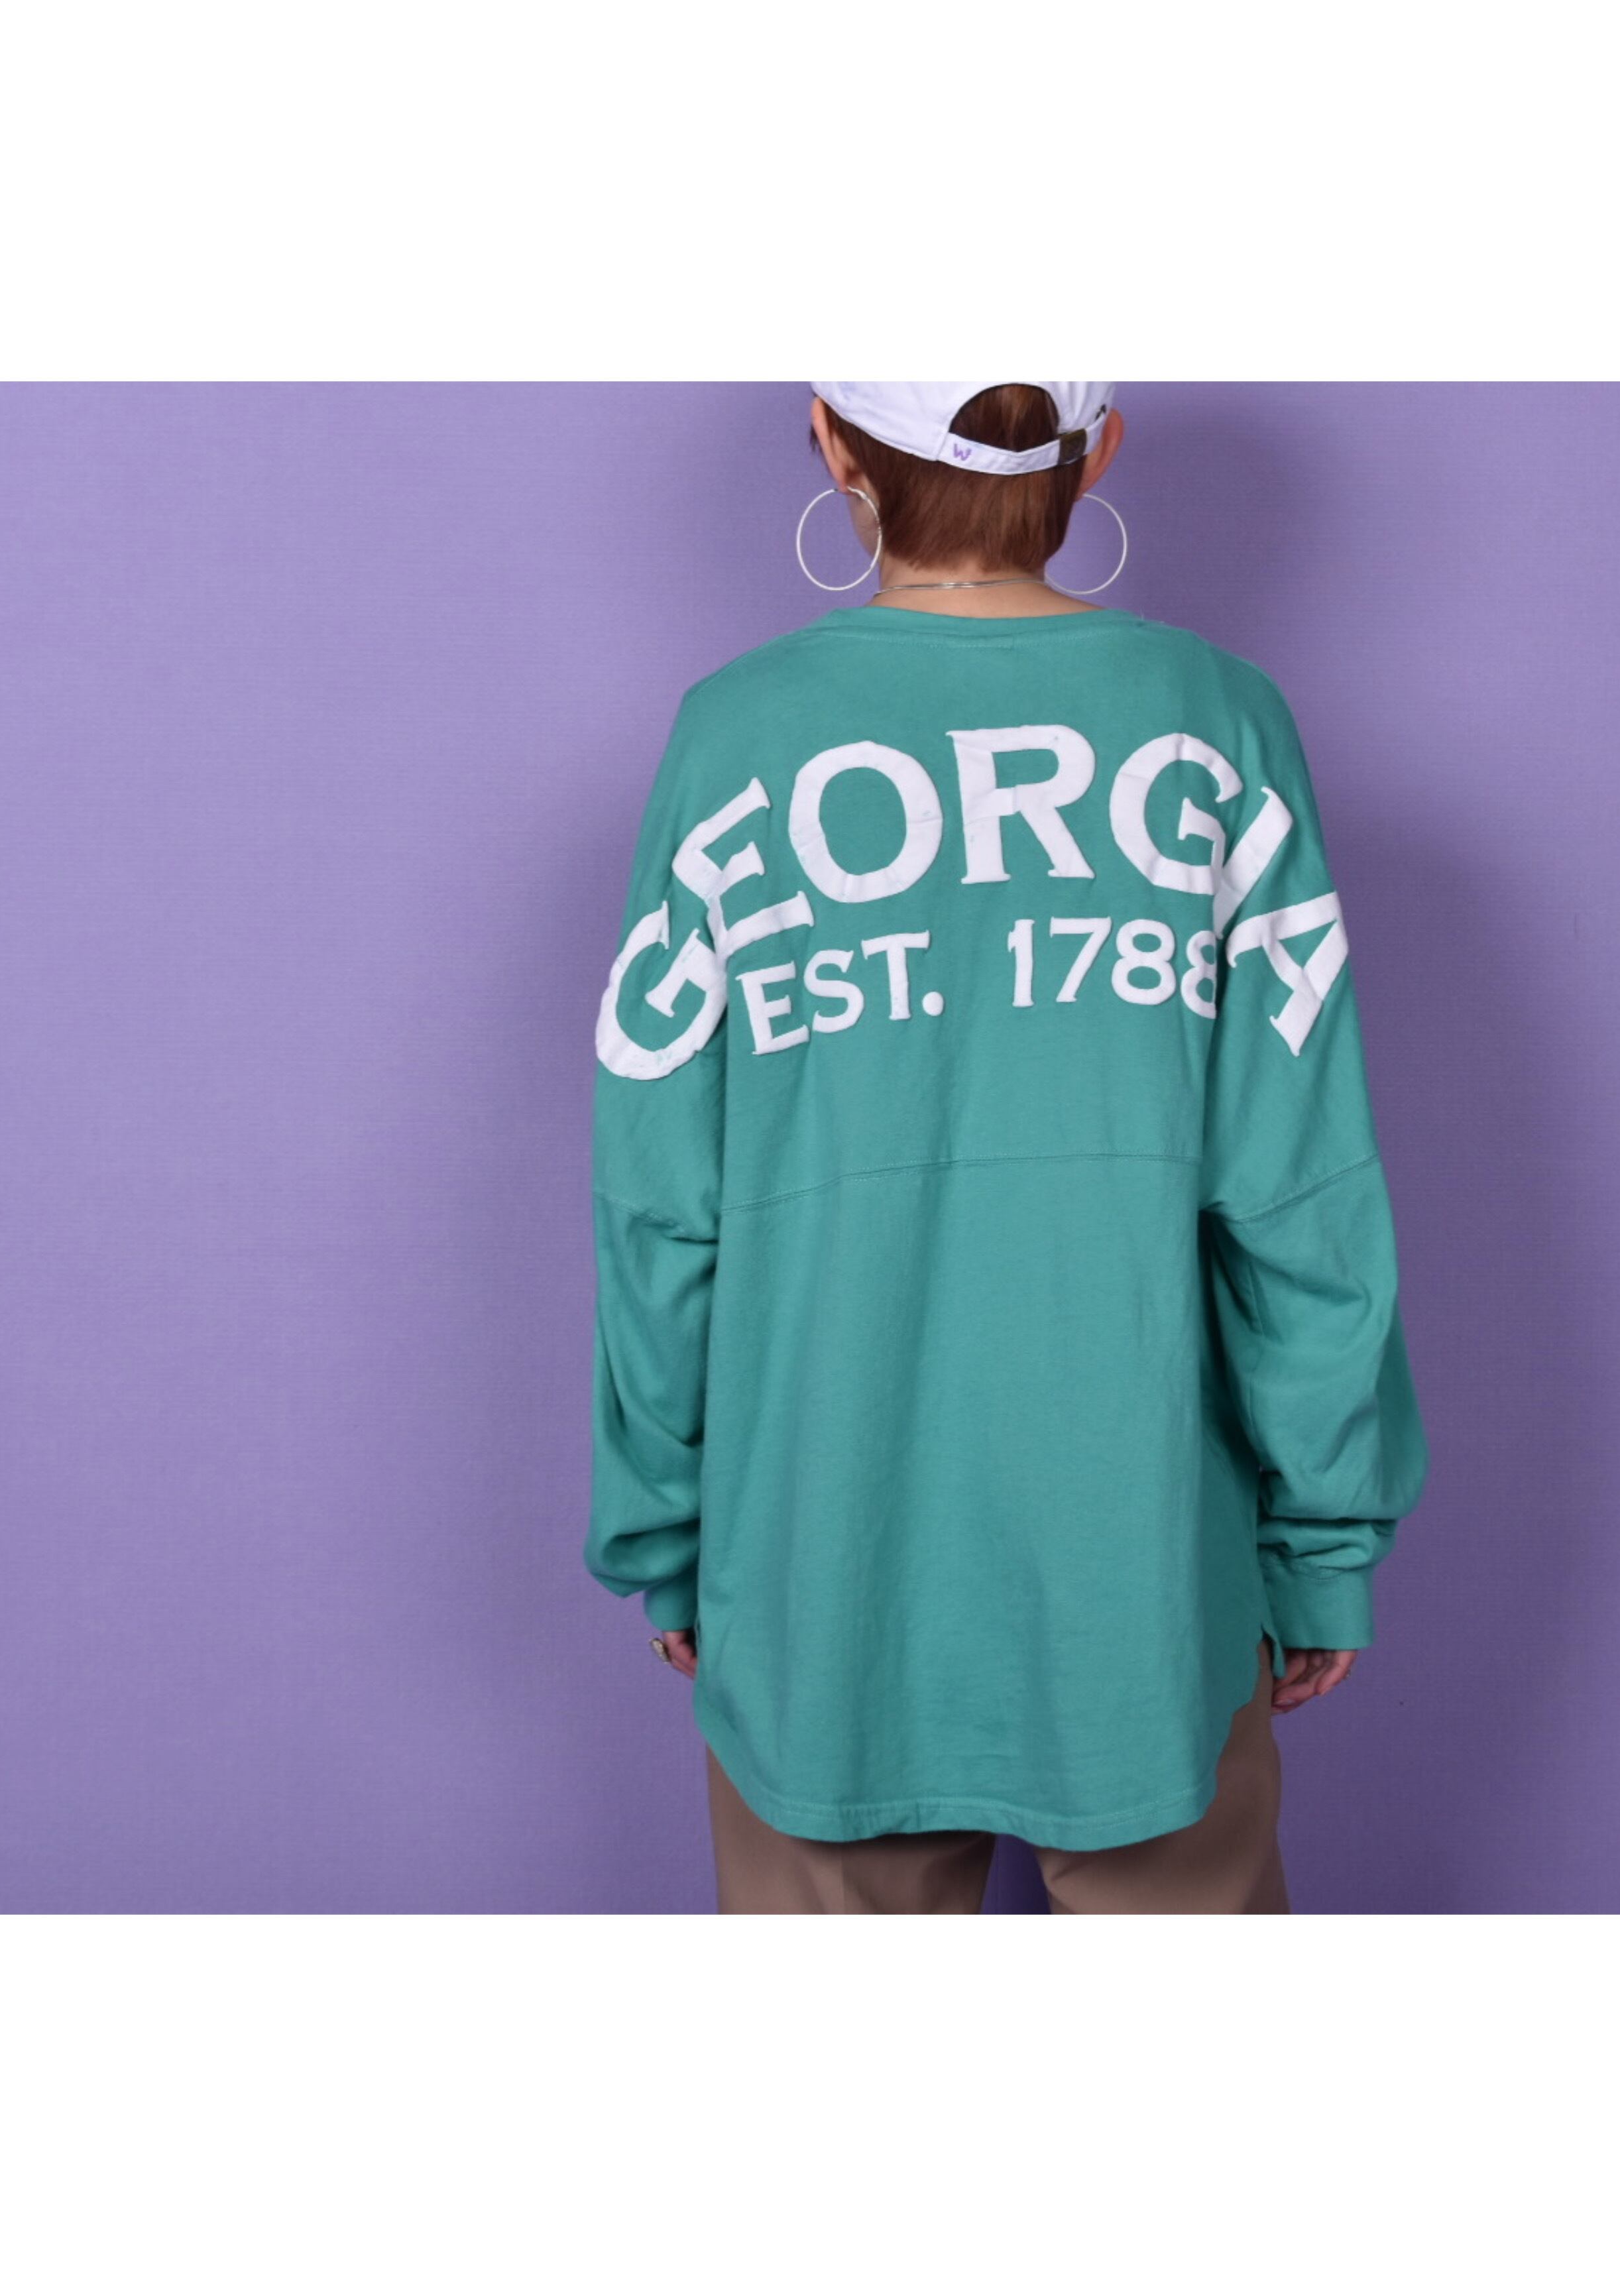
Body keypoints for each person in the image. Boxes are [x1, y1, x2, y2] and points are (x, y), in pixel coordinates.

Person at [587, 382, 1426, 1914]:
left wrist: (668, 1525)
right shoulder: (1214, 723)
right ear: (1097, 451)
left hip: (816, 1556)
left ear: (832, 441)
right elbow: (1297, 1184)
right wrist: (1322, 1541)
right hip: (1149, 1574)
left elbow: (662, 1197)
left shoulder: (735, 737)